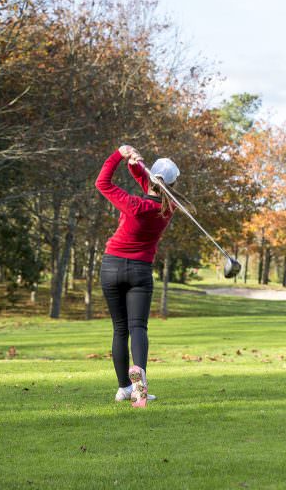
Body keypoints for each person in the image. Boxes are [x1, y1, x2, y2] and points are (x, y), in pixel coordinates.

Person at [95, 144, 183, 407]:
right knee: (138, 328)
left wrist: (119, 156)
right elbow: (152, 186)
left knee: (119, 329)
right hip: (140, 270)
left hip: (111, 266)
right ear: (172, 184)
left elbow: (102, 182)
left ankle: (123, 387)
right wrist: (135, 165)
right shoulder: (170, 207)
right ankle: (139, 385)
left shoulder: (133, 204)